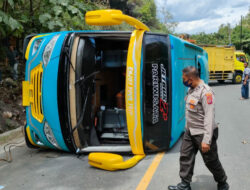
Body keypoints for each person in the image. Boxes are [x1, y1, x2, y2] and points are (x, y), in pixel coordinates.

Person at [168, 66, 229, 190]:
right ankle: (184, 184)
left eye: (183, 78)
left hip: (203, 133)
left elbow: (209, 117)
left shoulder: (206, 92)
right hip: (190, 131)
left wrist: (207, 140)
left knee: (211, 161)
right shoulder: (191, 89)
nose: (182, 80)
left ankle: (222, 182)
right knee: (185, 157)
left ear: (190, 79)